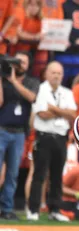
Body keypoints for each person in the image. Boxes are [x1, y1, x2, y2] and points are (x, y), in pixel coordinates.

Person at [28, 62, 77, 221]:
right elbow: (42, 114)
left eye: (59, 73)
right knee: (39, 174)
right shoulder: (40, 89)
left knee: (57, 176)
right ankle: (33, 209)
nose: (56, 76)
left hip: (61, 137)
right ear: (46, 74)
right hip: (44, 136)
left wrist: (54, 109)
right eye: (53, 72)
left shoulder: (67, 92)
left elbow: (73, 114)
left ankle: (54, 209)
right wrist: (63, 112)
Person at [0, 51, 39, 220]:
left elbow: (31, 97)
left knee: (13, 173)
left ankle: (7, 207)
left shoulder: (32, 82)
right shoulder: (3, 79)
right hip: (2, 129)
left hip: (19, 133)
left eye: (23, 62)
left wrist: (14, 81)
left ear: (28, 65)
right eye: (17, 61)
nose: (19, 64)